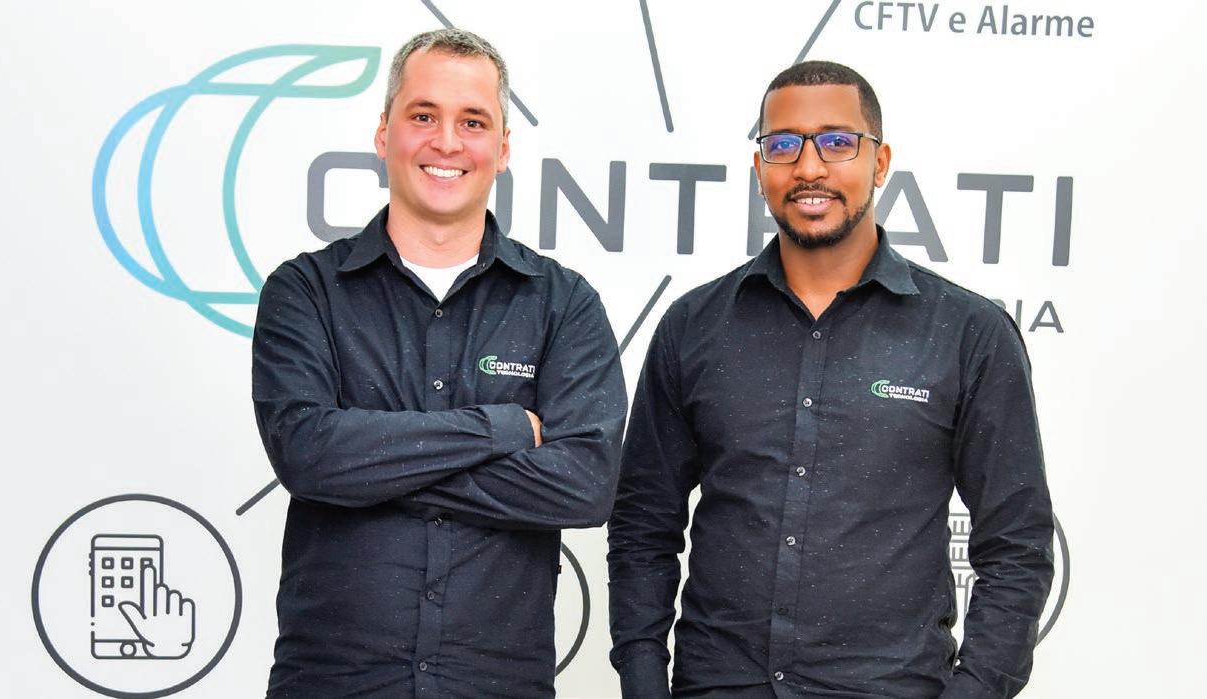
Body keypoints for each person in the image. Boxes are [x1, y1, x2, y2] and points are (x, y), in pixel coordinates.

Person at [607, 61, 1054, 698]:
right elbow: (643, 526)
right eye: (784, 145)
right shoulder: (694, 325)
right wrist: (644, 679)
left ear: (880, 161)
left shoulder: (968, 333)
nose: (809, 167)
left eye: (838, 142)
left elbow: (1017, 546)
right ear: (760, 167)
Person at [252, 28, 626, 697]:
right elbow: (308, 456)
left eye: (472, 121)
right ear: (384, 134)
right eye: (423, 116)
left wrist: (372, 466)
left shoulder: (562, 304)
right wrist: (503, 427)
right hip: (333, 682)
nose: (447, 142)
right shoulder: (305, 291)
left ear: (502, 149)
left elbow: (585, 484)